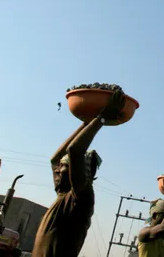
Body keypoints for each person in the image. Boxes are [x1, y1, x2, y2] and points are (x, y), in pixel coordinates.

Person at [32, 90, 126, 257]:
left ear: (80, 172)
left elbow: (75, 151)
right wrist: (86, 124)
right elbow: (55, 159)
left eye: (64, 167)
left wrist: (101, 119)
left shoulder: (81, 198)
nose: (58, 169)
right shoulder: (62, 193)